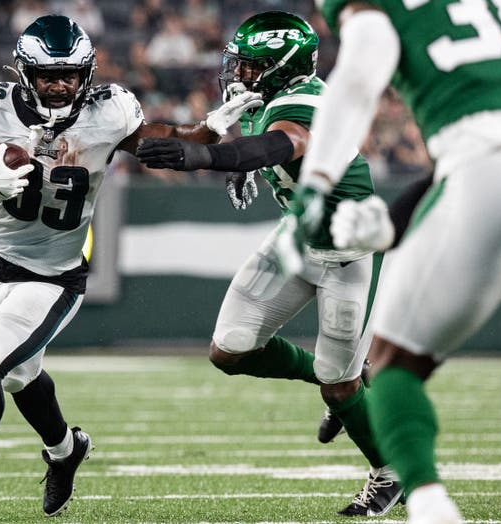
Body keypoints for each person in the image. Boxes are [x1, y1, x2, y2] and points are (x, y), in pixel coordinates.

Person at [0, 15, 252, 522]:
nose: (60, 85)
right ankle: (65, 451)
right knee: (19, 376)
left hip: (54, 277)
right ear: (24, 72)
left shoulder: (109, 112)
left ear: (87, 73)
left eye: (71, 74)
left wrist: (215, 135)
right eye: (49, 74)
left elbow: (163, 142)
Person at [280, 0, 501, 520]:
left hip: (488, 158)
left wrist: (314, 184)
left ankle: (430, 508)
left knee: (392, 367)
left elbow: (362, 71)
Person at [135, 11, 403, 517]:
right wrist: (180, 142)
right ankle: (339, 384)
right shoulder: (262, 95)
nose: (241, 74)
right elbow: (218, 138)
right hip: (297, 241)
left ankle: (389, 472)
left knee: (339, 381)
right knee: (229, 350)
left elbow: (277, 144)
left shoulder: (310, 99)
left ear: (284, 67)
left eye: (254, 65)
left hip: (351, 252)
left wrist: (216, 160)